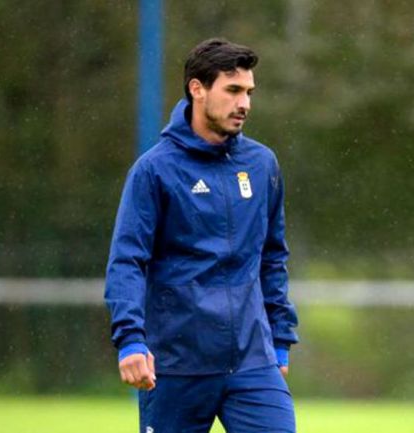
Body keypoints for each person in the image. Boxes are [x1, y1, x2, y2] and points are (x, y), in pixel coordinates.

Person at [104, 38, 299, 433]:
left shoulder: (262, 165)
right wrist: (130, 339)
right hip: (177, 364)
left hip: (251, 361)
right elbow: (128, 260)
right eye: (232, 90)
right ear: (197, 88)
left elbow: (272, 257)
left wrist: (280, 337)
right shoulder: (154, 170)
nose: (244, 103)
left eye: (248, 92)